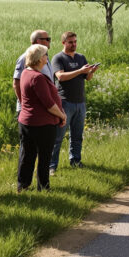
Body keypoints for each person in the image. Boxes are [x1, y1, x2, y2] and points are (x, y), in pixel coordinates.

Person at [18, 44, 67, 191]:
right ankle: (43, 187)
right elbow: (49, 104)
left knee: (27, 155)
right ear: (40, 59)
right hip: (42, 124)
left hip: (27, 121)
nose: (47, 58)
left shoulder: (26, 73)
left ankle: (23, 185)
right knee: (44, 157)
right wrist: (62, 115)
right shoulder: (37, 77)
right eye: (45, 55)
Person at [51, 31, 97, 172]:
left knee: (77, 136)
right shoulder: (58, 58)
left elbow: (87, 78)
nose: (74, 44)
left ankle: (76, 161)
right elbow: (61, 77)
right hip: (64, 102)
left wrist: (91, 72)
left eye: (75, 41)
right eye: (71, 42)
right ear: (63, 43)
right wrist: (80, 70)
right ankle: (52, 166)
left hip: (80, 102)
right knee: (58, 137)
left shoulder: (81, 57)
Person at [14, 30, 56, 171]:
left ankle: (35, 182)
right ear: (38, 41)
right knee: (28, 151)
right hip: (32, 111)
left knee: (40, 150)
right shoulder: (26, 58)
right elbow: (17, 83)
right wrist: (26, 105)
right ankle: (25, 184)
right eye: (47, 39)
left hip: (43, 111)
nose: (50, 41)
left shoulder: (45, 58)